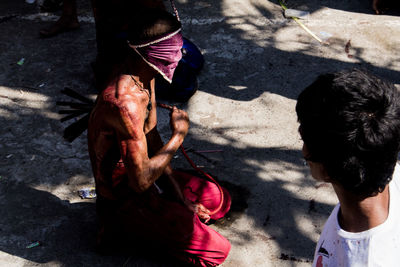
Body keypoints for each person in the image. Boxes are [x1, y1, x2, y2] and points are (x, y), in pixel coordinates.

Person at [87, 8, 231, 267]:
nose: (178, 56)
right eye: (171, 50)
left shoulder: (146, 75)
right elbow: (141, 182)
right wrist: (178, 136)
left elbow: (151, 139)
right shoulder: (123, 104)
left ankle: (166, 217)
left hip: (144, 178)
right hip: (123, 198)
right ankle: (122, 231)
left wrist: (180, 199)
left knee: (218, 199)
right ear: (147, 53)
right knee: (216, 252)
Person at [296, 69, 400, 266]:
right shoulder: (381, 159)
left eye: (303, 139)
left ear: (326, 169)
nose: (303, 151)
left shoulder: (366, 260)